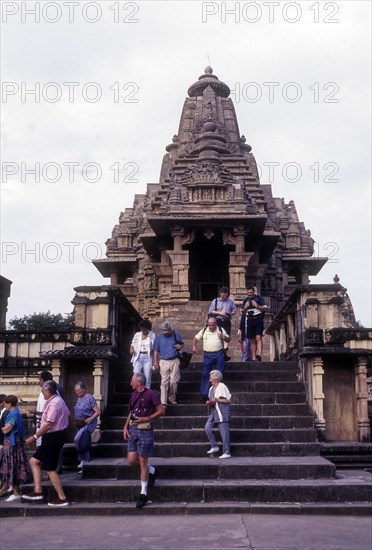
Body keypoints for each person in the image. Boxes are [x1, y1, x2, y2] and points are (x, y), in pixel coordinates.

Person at [23, 380, 70, 507]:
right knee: (34, 461)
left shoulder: (55, 403)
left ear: (48, 391)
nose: (42, 393)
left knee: (49, 467)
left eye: (43, 390)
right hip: (52, 436)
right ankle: (38, 490)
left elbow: (49, 423)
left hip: (54, 436)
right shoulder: (56, 401)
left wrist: (34, 436)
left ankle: (62, 497)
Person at [123, 372, 165, 509]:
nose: (130, 384)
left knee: (142, 461)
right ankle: (152, 471)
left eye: (132, 381)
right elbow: (131, 411)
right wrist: (125, 426)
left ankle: (143, 493)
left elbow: (161, 410)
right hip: (133, 428)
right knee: (131, 459)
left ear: (139, 383)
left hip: (145, 429)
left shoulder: (151, 394)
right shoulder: (133, 395)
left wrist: (147, 418)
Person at [30, 371, 65, 473]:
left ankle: (54, 468)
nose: (38, 382)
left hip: (51, 428)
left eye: (39, 379)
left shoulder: (54, 396)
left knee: (51, 451)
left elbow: (49, 415)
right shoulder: (47, 393)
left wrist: (35, 436)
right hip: (45, 425)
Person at [0, 395, 32, 501]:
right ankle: (14, 490)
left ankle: (16, 491)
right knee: (14, 465)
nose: (4, 405)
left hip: (12, 443)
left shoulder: (13, 414)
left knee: (12, 465)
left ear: (9, 404)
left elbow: (6, 430)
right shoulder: (16, 412)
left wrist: (2, 428)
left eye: (5, 403)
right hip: (15, 442)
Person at [192, 317, 230, 401]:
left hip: (218, 354)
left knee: (219, 374)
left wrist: (223, 337)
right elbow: (195, 338)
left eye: (213, 325)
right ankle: (204, 394)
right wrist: (194, 346)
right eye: (209, 325)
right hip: (207, 355)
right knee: (206, 374)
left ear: (216, 324)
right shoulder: (204, 330)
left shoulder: (220, 329)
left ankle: (219, 394)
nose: (211, 327)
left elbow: (228, 339)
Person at [153, 321, 184, 406]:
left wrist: (179, 346)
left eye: (167, 331)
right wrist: (155, 361)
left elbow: (181, 344)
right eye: (164, 331)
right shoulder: (159, 337)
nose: (165, 333)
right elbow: (156, 349)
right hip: (163, 360)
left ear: (170, 329)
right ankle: (163, 401)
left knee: (174, 381)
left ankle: (172, 398)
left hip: (174, 359)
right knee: (164, 382)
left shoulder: (175, 334)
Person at [73, 381, 101, 473]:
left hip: (88, 423)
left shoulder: (89, 398)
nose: (76, 392)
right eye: (75, 391)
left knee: (77, 439)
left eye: (78, 390)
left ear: (84, 389)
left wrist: (91, 418)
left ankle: (83, 460)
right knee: (83, 441)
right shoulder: (79, 398)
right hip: (80, 423)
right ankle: (85, 462)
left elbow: (98, 411)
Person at [204, 370, 232, 459]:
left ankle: (227, 452)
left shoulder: (222, 386)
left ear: (216, 378)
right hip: (214, 412)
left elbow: (228, 400)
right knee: (207, 427)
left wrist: (218, 400)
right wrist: (209, 402)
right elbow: (213, 400)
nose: (210, 379)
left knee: (224, 433)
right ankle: (214, 446)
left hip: (222, 413)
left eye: (211, 377)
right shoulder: (211, 389)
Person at [240, 286, 269, 361]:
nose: (249, 294)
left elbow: (265, 309)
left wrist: (257, 306)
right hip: (249, 320)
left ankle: (259, 354)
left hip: (258, 319)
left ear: (254, 292)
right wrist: (245, 307)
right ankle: (254, 357)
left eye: (251, 292)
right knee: (252, 340)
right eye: (248, 293)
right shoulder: (245, 300)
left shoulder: (259, 298)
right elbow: (242, 312)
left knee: (258, 338)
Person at [208, 287, 236, 360]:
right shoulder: (215, 301)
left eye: (226, 296)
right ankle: (221, 353)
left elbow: (234, 311)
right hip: (218, 321)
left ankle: (224, 352)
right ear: (220, 294)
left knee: (226, 337)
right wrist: (220, 313)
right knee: (218, 337)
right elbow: (211, 311)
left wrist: (229, 313)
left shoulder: (230, 301)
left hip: (226, 321)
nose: (224, 297)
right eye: (223, 296)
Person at [130, 319, 155, 389]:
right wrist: (131, 349)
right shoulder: (137, 335)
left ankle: (147, 395)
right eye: (141, 329)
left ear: (148, 329)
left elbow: (155, 348)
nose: (143, 331)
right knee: (136, 374)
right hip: (138, 357)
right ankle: (137, 393)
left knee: (147, 377)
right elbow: (132, 345)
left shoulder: (152, 335)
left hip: (148, 357)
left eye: (144, 329)